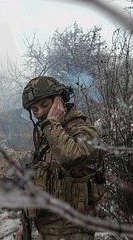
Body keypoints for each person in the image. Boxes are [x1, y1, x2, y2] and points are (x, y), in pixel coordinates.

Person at [19, 76, 105, 240]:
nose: (40, 112)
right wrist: (25, 223)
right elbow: (38, 178)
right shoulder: (48, 133)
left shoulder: (83, 130)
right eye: (35, 109)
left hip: (74, 232)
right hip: (47, 230)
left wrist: (52, 123)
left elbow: (70, 156)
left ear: (60, 101)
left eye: (45, 105)